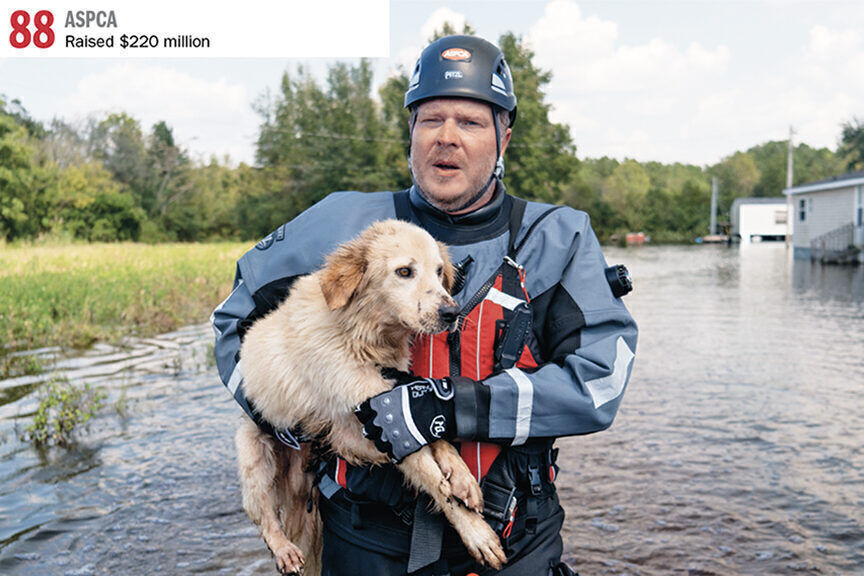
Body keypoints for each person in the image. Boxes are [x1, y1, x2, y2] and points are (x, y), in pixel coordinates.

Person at [212, 35, 638, 576]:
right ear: (410, 132)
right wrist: (273, 412)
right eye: (431, 119)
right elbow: (232, 318)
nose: (448, 138)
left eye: (472, 122)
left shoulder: (557, 238)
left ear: (504, 136)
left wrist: (457, 406)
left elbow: (602, 380)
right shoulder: (339, 224)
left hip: (512, 542)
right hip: (361, 538)